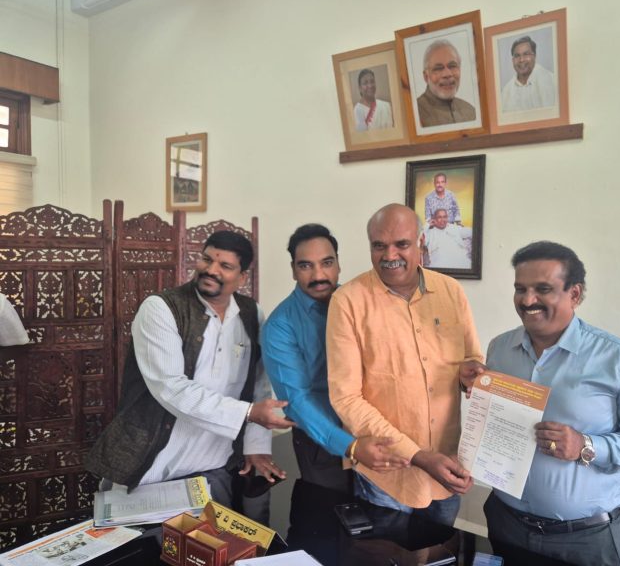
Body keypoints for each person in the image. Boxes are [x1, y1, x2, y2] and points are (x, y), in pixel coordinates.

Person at [460, 241, 620, 565]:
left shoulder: (619, 359)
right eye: (520, 289)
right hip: (506, 523)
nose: (527, 300)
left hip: (583, 538)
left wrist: (586, 445)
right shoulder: (500, 349)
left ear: (575, 294)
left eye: (543, 289)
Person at [86, 231, 295, 524]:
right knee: (144, 547)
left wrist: (256, 447)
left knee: (215, 546)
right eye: (207, 259)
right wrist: (249, 413)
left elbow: (259, 382)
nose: (211, 270)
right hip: (150, 470)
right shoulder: (161, 308)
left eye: (225, 266)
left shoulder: (250, 313)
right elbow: (171, 388)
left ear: (242, 277)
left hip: (214, 470)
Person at [327, 204, 483, 527]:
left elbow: (473, 360)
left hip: (448, 466)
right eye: (379, 246)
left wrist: (470, 375)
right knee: (387, 551)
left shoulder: (451, 291)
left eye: (401, 244)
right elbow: (346, 397)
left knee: (442, 549)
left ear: (421, 242)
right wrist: (418, 456)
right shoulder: (348, 301)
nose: (390, 255)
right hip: (386, 476)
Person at [262, 224, 408, 493]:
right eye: (306, 266)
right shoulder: (280, 326)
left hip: (377, 429)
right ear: (293, 269)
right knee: (329, 512)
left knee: (384, 514)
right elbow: (297, 401)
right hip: (322, 439)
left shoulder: (363, 303)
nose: (319, 275)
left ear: (338, 264)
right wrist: (350, 446)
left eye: (327, 263)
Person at [417, 40, 476, 127]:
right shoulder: (415, 113)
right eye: (438, 68)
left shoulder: (470, 111)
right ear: (426, 77)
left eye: (452, 66)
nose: (447, 74)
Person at [501, 36, 557, 112]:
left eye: (526, 54)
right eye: (517, 56)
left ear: (534, 56)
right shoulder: (506, 92)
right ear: (513, 60)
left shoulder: (553, 81)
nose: (521, 60)